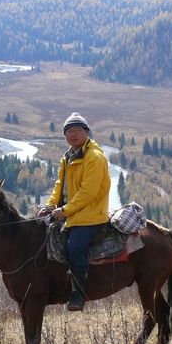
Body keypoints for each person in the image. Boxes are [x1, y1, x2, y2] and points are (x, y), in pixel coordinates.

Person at [37, 112, 110, 311]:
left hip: (90, 215)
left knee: (75, 246)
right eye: (69, 131)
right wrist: (50, 206)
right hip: (71, 213)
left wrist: (65, 211)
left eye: (77, 130)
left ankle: (78, 293)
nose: (73, 135)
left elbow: (89, 192)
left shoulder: (94, 157)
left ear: (86, 132)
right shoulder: (68, 157)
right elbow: (60, 186)